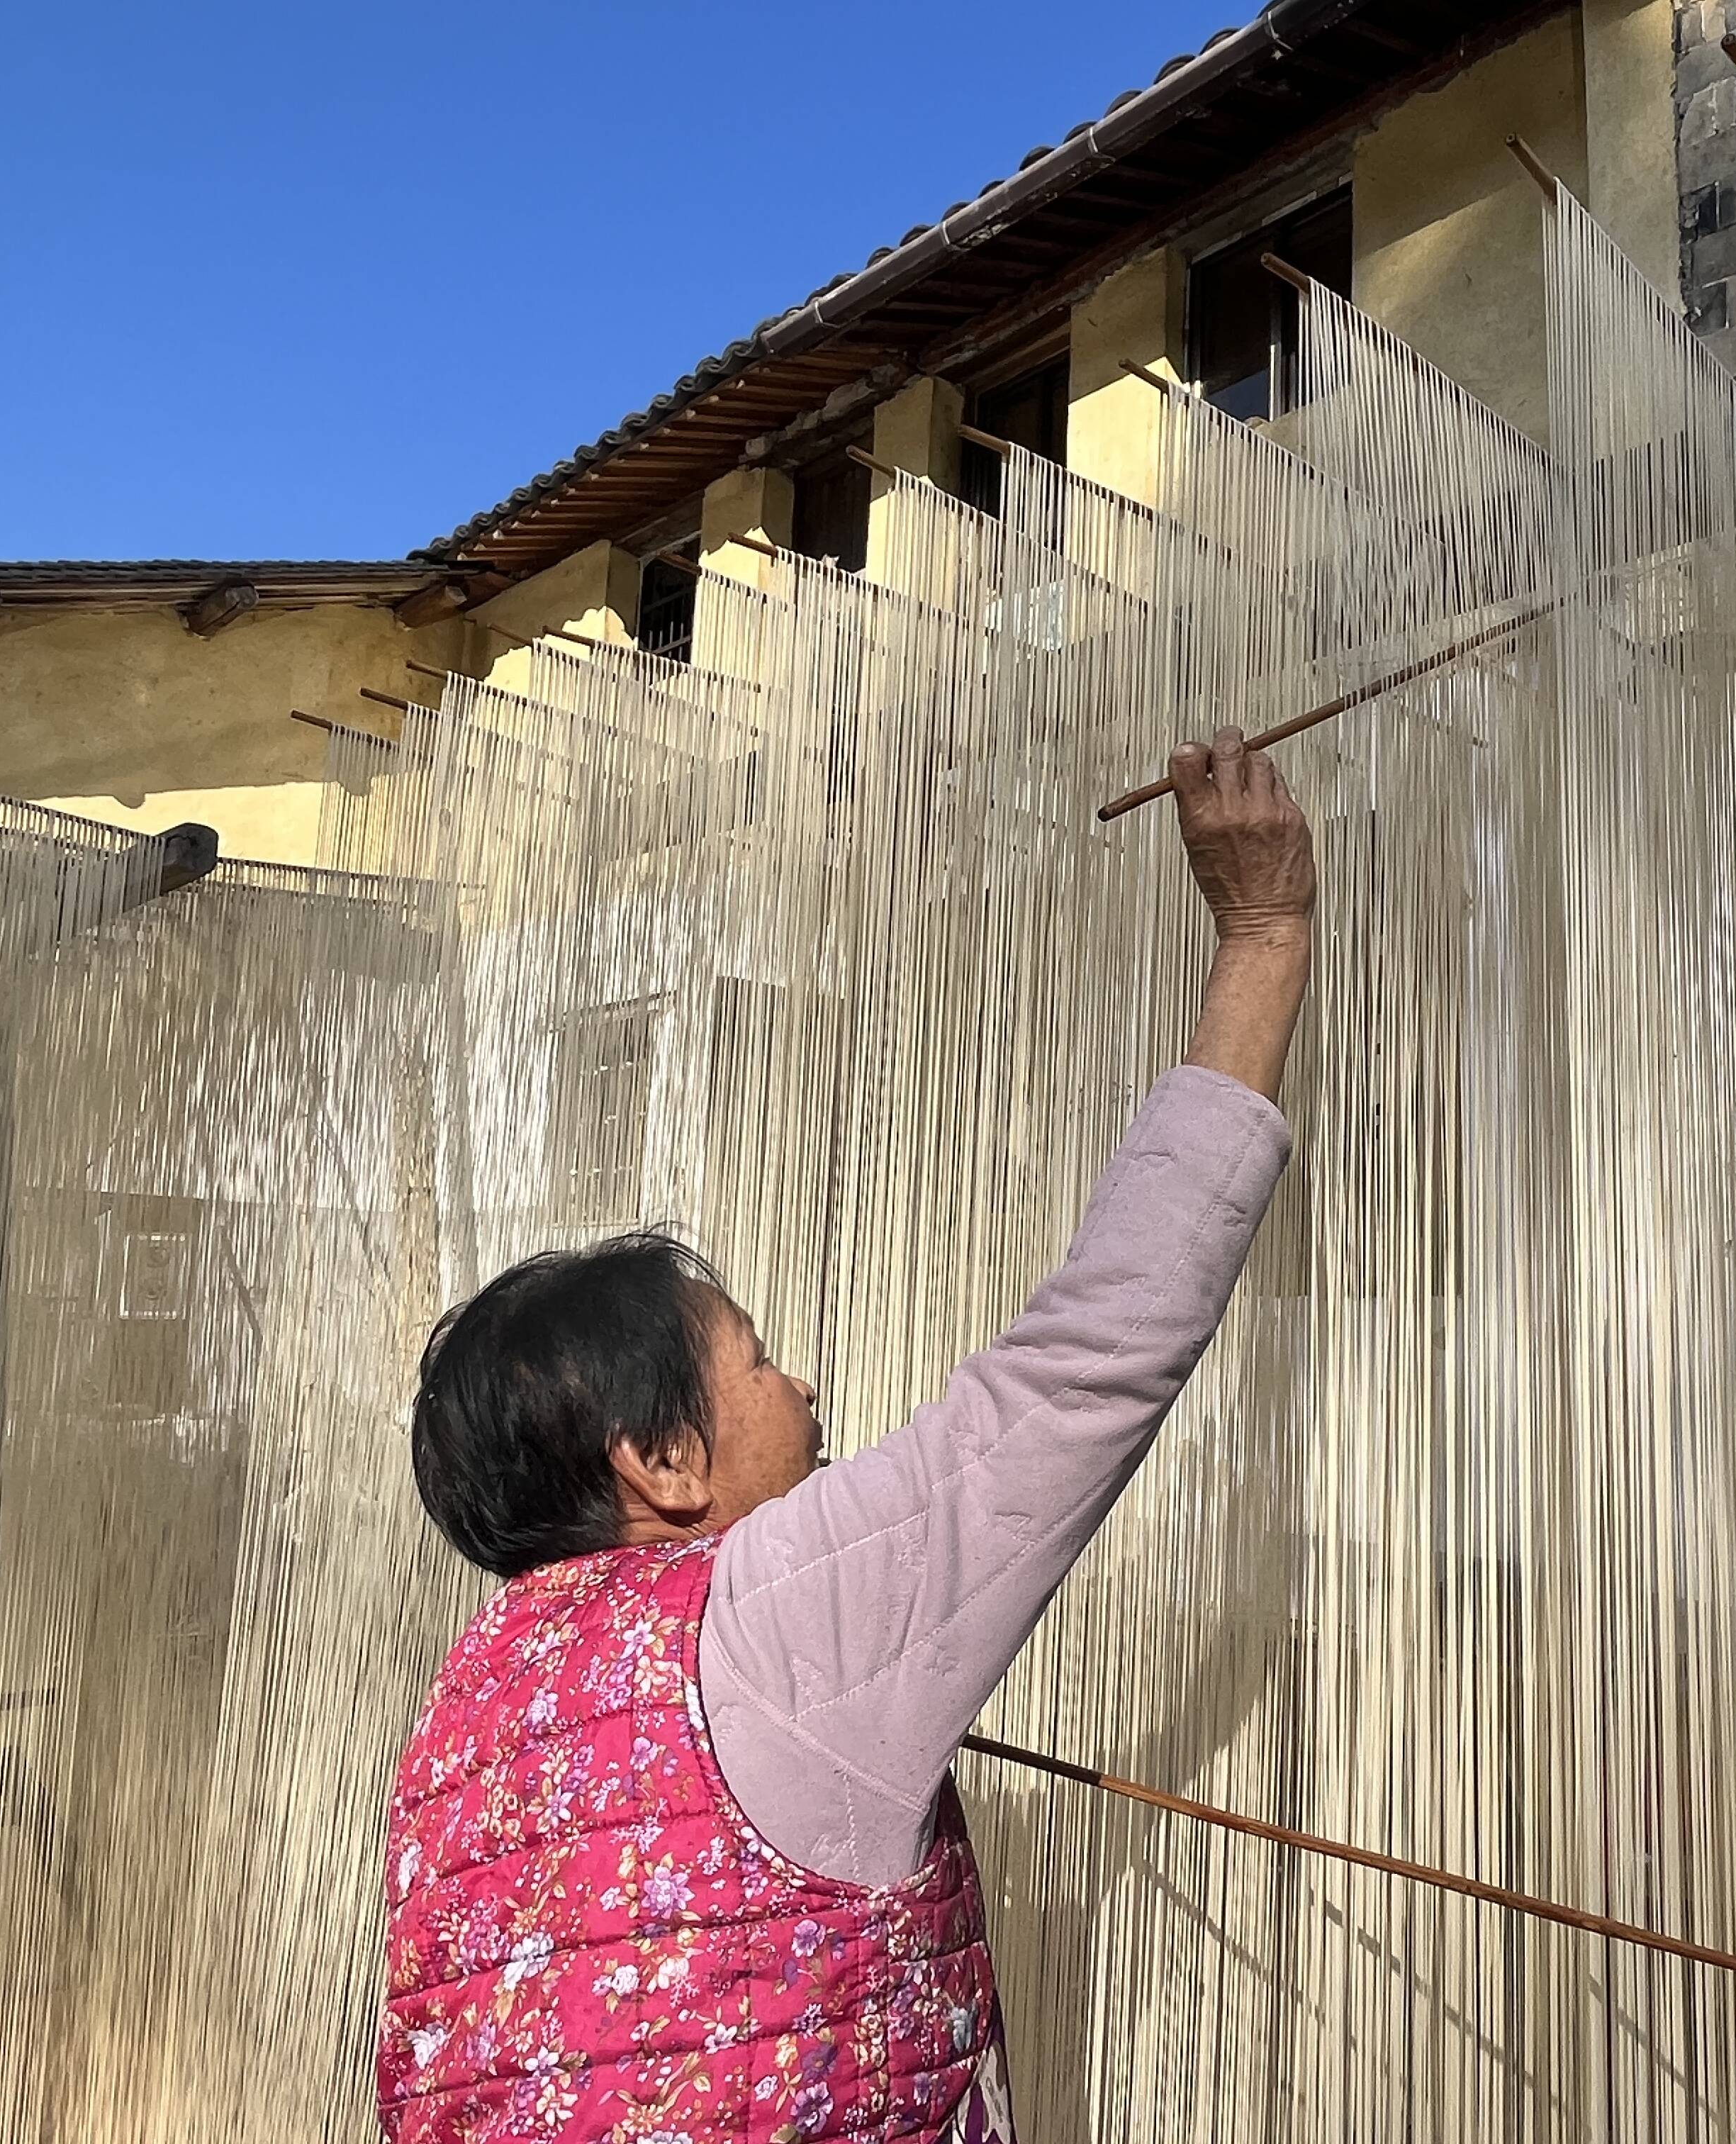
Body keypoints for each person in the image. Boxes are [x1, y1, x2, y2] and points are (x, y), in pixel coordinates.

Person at [379, 727, 1316, 2144]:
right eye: (756, 1363)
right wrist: (1265, 937)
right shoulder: (773, 1614)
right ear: (663, 1461)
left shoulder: (471, 1716)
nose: (805, 1392)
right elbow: (1086, 1366)